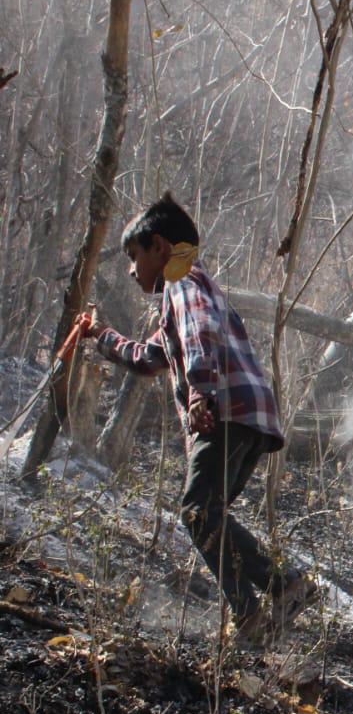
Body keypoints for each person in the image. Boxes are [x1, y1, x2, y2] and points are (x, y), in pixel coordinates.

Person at [88, 192, 318, 647]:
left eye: (135, 258)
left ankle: (279, 590)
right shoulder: (190, 289)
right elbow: (150, 357)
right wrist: (100, 335)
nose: (133, 271)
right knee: (207, 517)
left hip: (226, 409)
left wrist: (200, 393)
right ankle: (257, 614)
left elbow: (199, 333)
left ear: (159, 247)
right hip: (248, 415)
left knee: (197, 513)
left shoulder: (184, 282)